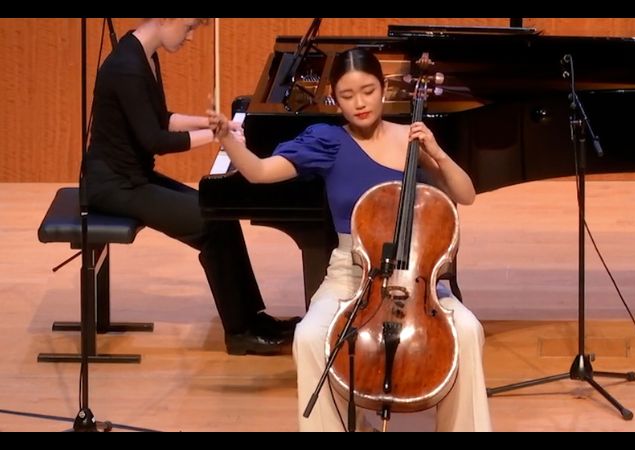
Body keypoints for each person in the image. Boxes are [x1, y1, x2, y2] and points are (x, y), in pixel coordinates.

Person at [210, 47, 492, 431]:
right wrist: (228, 140)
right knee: (309, 336)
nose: (359, 103)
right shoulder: (327, 141)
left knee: (469, 330)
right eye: (347, 95)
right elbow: (259, 172)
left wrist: (437, 153)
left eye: (368, 91)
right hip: (351, 271)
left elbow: (466, 194)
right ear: (334, 98)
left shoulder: (411, 139)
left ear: (383, 89)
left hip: (415, 273)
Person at [84, 18, 298, 356]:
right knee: (210, 225)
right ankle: (240, 333)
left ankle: (255, 320)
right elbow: (155, 139)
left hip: (133, 176)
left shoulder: (143, 55)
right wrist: (216, 136)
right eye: (188, 27)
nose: (190, 36)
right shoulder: (126, 67)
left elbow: (161, 118)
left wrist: (213, 123)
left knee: (219, 213)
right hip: (112, 186)